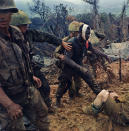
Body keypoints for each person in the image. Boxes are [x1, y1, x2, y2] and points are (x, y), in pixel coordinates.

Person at [10, 10, 72, 112]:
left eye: (26, 25)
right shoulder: (7, 41)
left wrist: (60, 42)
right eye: (23, 25)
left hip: (31, 66)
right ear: (15, 26)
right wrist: (29, 75)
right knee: (24, 94)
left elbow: (46, 36)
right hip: (16, 72)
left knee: (45, 87)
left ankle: (47, 106)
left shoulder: (29, 34)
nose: (27, 27)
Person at [0, 0, 49, 130]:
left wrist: (30, 75)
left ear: (11, 13)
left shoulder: (16, 33)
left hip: (27, 90)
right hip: (6, 99)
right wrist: (9, 105)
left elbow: (23, 60)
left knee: (42, 115)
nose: (2, 16)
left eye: (5, 11)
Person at [55, 24, 108, 106]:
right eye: (86, 33)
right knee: (65, 83)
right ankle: (58, 99)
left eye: (89, 33)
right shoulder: (71, 42)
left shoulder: (86, 42)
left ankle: (101, 97)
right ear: (80, 33)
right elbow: (67, 59)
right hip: (68, 66)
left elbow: (93, 49)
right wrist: (80, 68)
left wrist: (104, 55)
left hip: (79, 63)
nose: (88, 35)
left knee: (90, 79)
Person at [55, 21, 82, 99]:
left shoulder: (79, 41)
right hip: (66, 65)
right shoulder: (65, 41)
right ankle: (59, 98)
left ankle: (76, 93)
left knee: (78, 81)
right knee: (65, 82)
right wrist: (61, 56)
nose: (79, 34)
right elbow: (55, 53)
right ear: (72, 33)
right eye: (77, 32)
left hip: (76, 64)